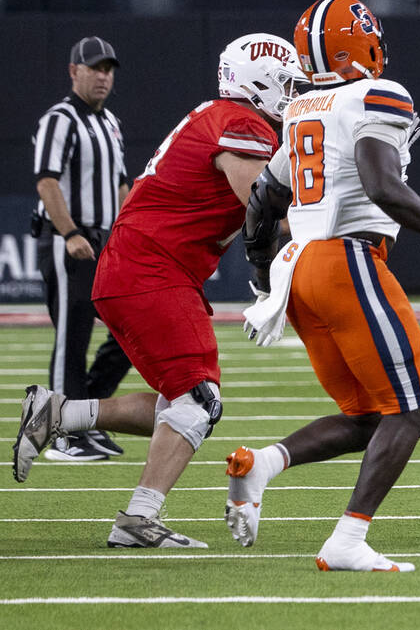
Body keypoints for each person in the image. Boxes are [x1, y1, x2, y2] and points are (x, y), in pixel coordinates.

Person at [227, 0, 420, 572]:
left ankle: (264, 463)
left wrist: (262, 275)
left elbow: (262, 201)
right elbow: (382, 186)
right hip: (348, 259)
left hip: (301, 269)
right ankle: (348, 540)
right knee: (409, 410)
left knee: (368, 417)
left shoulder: (304, 106)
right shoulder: (376, 94)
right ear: (358, 42)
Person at [13, 33, 305, 550]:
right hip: (152, 269)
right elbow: (262, 207)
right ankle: (137, 519)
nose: (291, 93)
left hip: (141, 268)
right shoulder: (239, 123)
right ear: (256, 81)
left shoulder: (218, 116)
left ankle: (59, 414)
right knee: (198, 401)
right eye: (284, 83)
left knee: (179, 402)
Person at [30, 37, 133, 462]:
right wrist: (70, 232)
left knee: (128, 332)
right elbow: (46, 180)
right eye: (95, 68)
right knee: (72, 339)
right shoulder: (59, 119)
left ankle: (85, 418)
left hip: (106, 240)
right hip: (67, 240)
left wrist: (127, 234)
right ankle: (60, 434)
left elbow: (122, 183)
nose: (103, 76)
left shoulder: (110, 122)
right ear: (75, 71)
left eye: (108, 69)